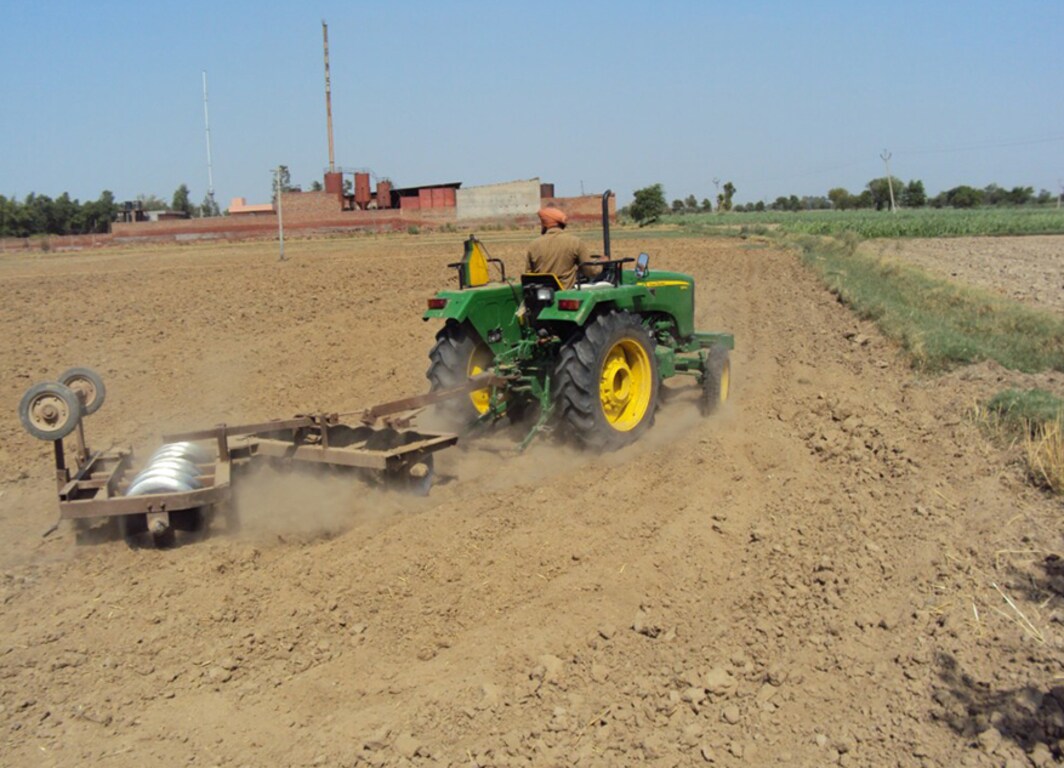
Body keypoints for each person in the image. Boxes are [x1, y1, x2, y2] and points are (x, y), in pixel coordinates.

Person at [526, 207, 601, 289]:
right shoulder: (575, 242)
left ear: (545, 225)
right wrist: (601, 263)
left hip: (539, 295)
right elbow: (590, 271)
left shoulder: (533, 245)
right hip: (565, 294)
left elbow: (528, 274)